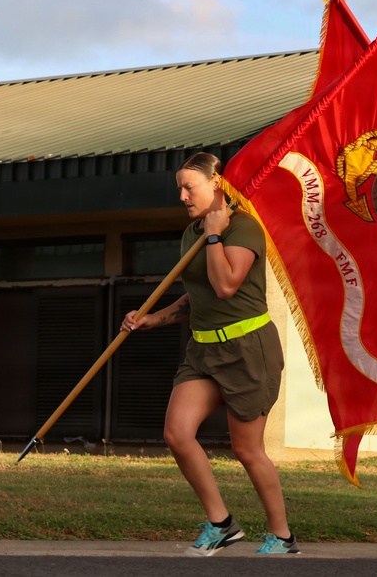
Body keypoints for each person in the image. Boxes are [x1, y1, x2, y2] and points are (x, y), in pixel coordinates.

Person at [120, 151, 298, 556]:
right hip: (203, 348)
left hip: (248, 349)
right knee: (177, 433)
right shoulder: (193, 232)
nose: (182, 196)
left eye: (189, 187)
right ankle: (222, 524)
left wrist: (216, 234)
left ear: (216, 184)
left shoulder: (244, 229)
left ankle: (283, 537)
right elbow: (197, 295)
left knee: (247, 450)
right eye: (179, 189)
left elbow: (225, 286)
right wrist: (154, 320)